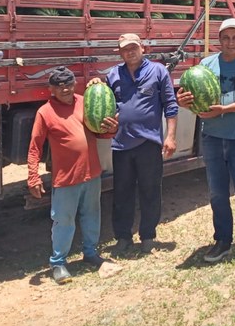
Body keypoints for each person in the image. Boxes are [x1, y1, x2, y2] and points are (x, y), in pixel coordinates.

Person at [177, 17, 235, 265]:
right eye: (226, 37)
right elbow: (188, 96)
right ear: (219, 40)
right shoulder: (206, 64)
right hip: (212, 138)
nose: (231, 42)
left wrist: (223, 109)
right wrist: (183, 100)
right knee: (217, 193)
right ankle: (223, 241)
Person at [27, 66, 119, 284]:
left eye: (68, 85)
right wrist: (33, 176)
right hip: (66, 178)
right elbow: (35, 146)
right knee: (63, 221)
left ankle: (90, 253)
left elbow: (101, 132)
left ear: (74, 84)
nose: (65, 90)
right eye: (59, 87)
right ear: (51, 89)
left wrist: (112, 129)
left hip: (91, 173)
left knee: (92, 215)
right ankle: (58, 263)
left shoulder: (84, 102)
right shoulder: (45, 112)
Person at [89, 33, 178, 254]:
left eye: (133, 47)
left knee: (150, 191)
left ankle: (148, 236)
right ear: (120, 53)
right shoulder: (113, 74)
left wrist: (171, 136)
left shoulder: (158, 71)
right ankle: (123, 238)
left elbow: (170, 105)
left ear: (143, 48)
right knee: (122, 192)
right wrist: (94, 84)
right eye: (124, 49)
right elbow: (105, 101)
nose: (129, 52)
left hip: (149, 142)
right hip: (121, 144)